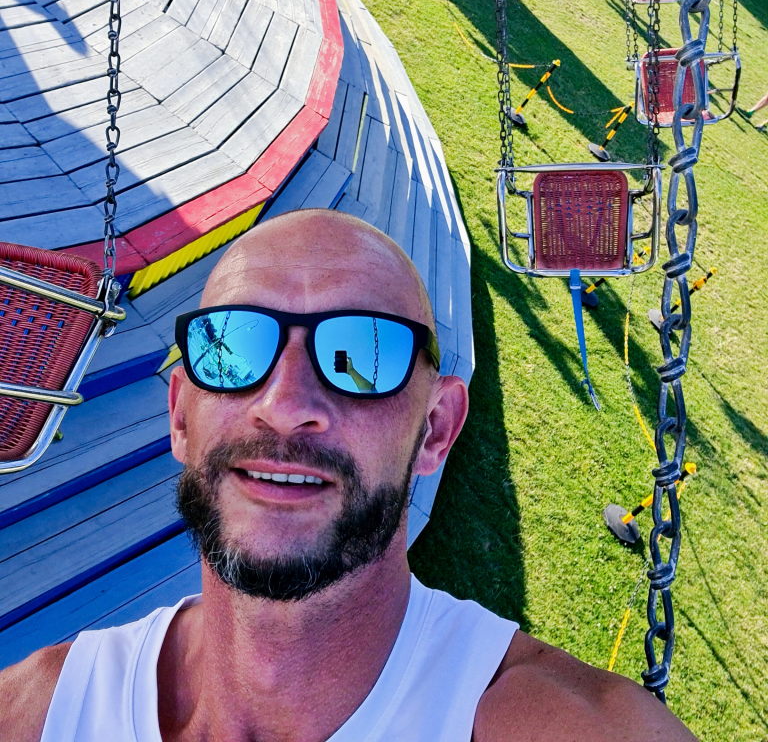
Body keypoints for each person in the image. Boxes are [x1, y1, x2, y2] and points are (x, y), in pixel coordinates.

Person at [0, 210, 700, 741]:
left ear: (435, 429)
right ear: (181, 415)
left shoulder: (555, 724)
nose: (284, 407)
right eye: (234, 345)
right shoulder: (40, 712)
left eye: (361, 353)